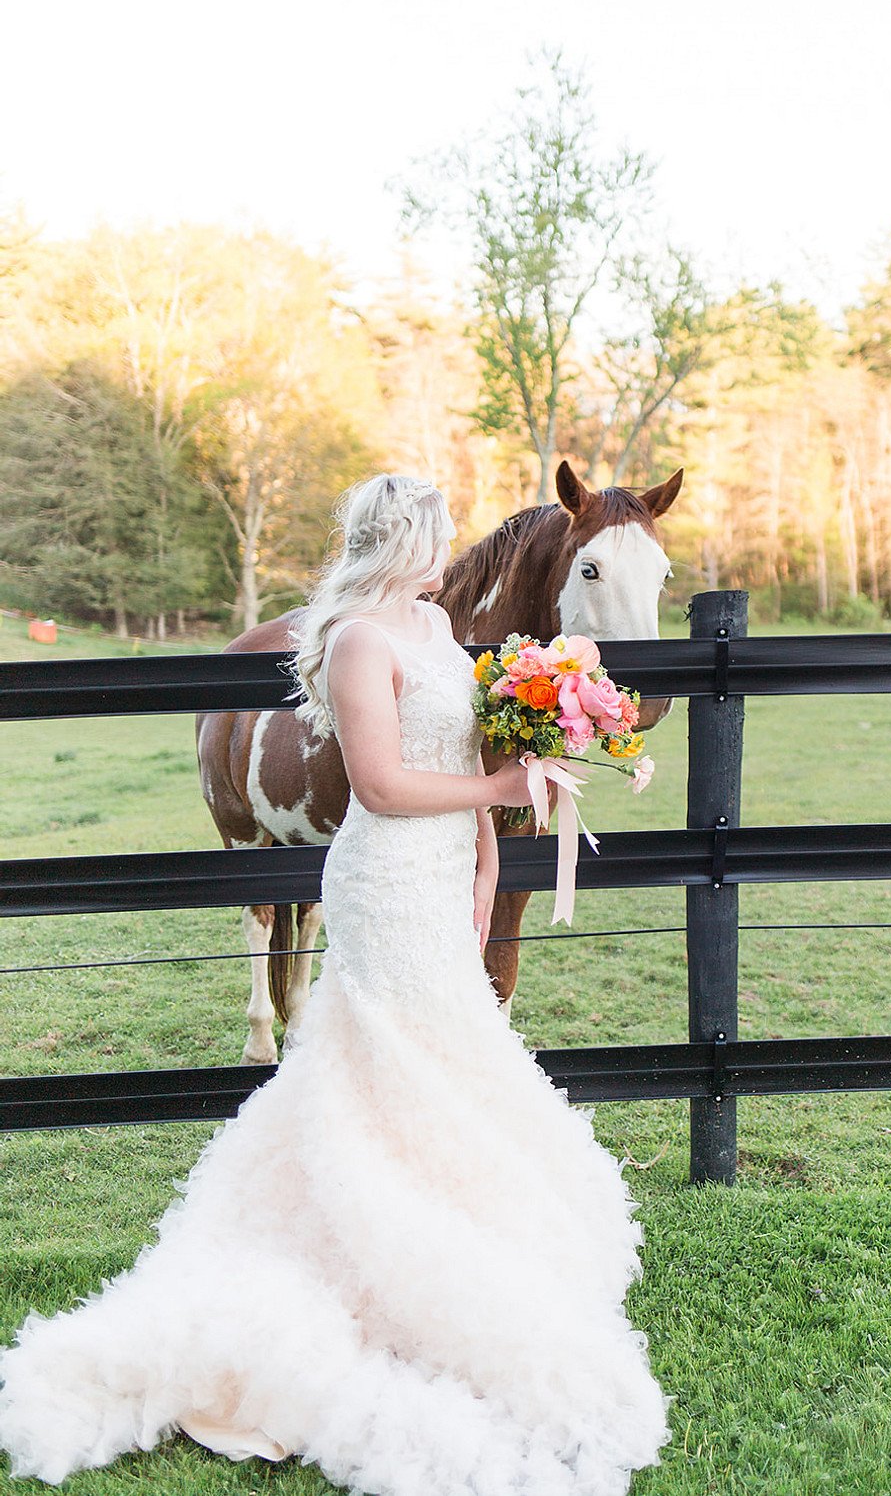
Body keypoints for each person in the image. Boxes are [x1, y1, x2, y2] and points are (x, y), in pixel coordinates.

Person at [0, 473, 672, 1494]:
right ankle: (368, 1271)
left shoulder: (443, 632)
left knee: (448, 1068)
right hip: (388, 879)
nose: (454, 542)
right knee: (382, 1068)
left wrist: (492, 844)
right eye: (440, 529)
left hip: (449, 870)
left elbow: (462, 742)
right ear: (403, 538)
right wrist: (499, 786)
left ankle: (450, 1256)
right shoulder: (360, 638)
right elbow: (383, 785)